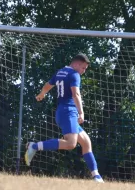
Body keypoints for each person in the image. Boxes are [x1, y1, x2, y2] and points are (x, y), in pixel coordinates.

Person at [24, 54, 104, 183]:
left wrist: (42, 94)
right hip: (69, 112)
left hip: (63, 111)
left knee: (86, 142)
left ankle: (96, 176)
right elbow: (76, 94)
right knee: (70, 144)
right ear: (76, 64)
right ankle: (34, 146)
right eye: (83, 68)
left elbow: (48, 85)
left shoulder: (60, 72)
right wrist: (81, 112)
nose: (84, 71)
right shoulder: (74, 74)